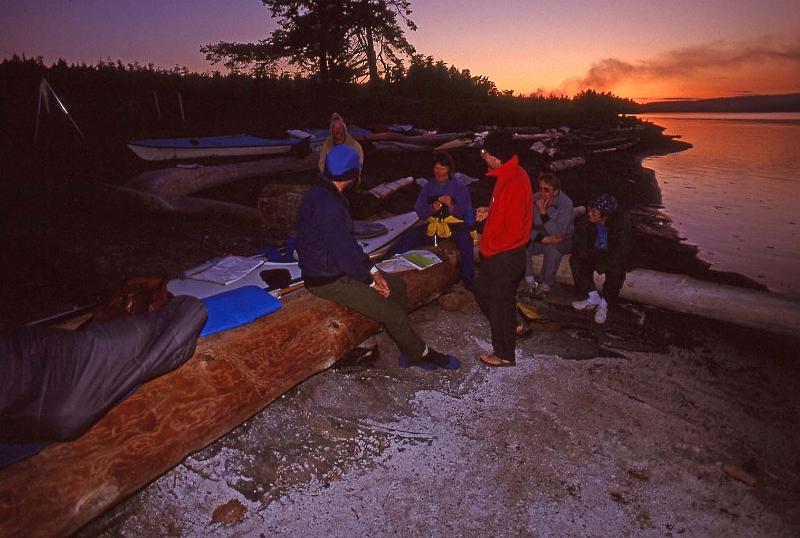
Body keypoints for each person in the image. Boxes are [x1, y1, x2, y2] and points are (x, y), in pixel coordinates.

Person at [296, 144, 457, 369]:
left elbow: (347, 243)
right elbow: (344, 254)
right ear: (353, 174)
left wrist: (372, 270)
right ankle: (418, 354)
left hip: (336, 267)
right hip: (326, 279)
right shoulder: (328, 205)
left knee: (397, 288)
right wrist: (371, 282)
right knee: (392, 312)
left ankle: (401, 338)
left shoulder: (325, 191)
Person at [473, 132, 533, 367]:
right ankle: (513, 326)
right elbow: (505, 209)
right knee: (481, 289)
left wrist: (490, 249)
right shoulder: (506, 175)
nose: (483, 157)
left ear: (493, 155)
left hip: (505, 255)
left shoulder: (516, 181)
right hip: (498, 252)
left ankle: (504, 354)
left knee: (500, 303)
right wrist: (490, 212)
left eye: (483, 153)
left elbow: (516, 231)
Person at [389, 152, 475, 290]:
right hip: (434, 226)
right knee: (409, 237)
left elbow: (465, 212)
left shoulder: (459, 187)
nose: (438, 172)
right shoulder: (428, 186)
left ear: (449, 169)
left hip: (454, 226)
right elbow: (419, 210)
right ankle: (385, 265)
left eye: (442, 169)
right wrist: (432, 208)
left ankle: (469, 281)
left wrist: (452, 205)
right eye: (436, 168)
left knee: (466, 241)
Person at [569, 193, 632, 324]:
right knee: (576, 261)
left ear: (605, 214)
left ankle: (604, 305)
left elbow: (621, 252)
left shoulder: (620, 225)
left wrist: (603, 264)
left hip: (612, 255)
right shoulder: (588, 221)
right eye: (590, 210)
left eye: (594, 212)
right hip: (595, 252)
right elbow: (579, 242)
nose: (590, 214)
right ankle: (592, 297)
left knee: (616, 271)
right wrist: (586, 256)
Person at [524, 172, 574, 296]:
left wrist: (543, 213)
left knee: (552, 250)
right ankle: (530, 281)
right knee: (522, 243)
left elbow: (559, 232)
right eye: (540, 189)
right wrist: (543, 239)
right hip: (541, 236)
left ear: (555, 192)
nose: (542, 193)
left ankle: (545, 285)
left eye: (546, 190)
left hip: (562, 239)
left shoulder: (565, 204)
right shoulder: (534, 198)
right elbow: (523, 226)